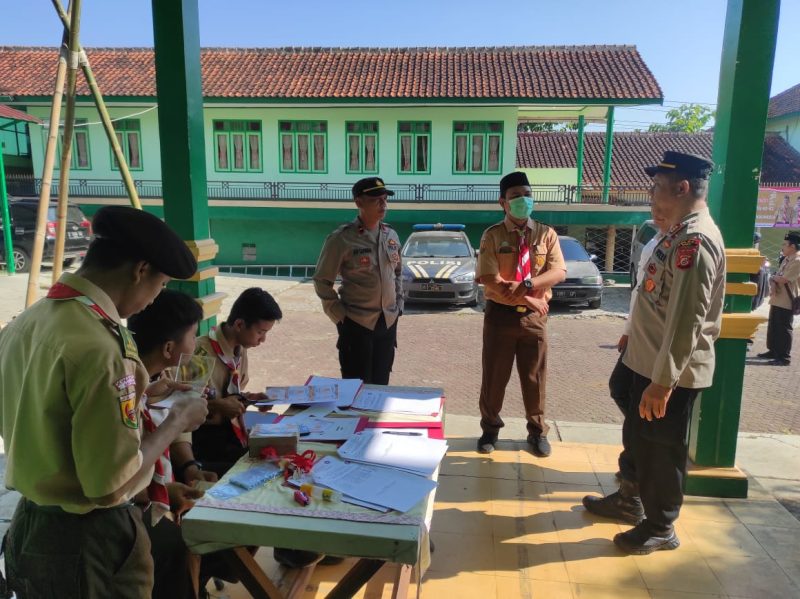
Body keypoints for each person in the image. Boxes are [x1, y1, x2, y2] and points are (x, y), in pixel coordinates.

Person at [0, 205, 208, 598]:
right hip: (89, 542)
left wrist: (141, 394)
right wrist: (176, 423)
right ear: (140, 270)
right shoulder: (104, 348)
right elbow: (109, 485)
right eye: (161, 284)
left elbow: (41, 414)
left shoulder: (27, 323)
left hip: (29, 524)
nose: (154, 299)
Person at [582, 151, 726, 555]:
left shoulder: (694, 242)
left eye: (656, 188)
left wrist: (663, 384)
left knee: (661, 447)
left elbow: (685, 321)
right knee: (636, 426)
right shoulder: (675, 231)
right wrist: (631, 333)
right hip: (642, 357)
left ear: (682, 188)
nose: (650, 196)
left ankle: (661, 525)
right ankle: (630, 497)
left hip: (666, 370)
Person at [128, 289, 224, 599]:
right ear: (169, 347)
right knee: (185, 543)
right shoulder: (123, 385)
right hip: (123, 509)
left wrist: (185, 471)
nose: (196, 345)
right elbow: (118, 468)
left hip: (151, 489)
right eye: (193, 336)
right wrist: (179, 419)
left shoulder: (154, 378)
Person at [587, 205, 670, 524]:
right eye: (653, 200)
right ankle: (631, 490)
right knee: (621, 390)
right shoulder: (655, 243)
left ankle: (635, 497)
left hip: (658, 346)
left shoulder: (687, 245)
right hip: (639, 338)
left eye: (662, 199)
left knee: (650, 421)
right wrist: (627, 330)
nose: (656, 209)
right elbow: (640, 293)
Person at [475, 171, 566, 457]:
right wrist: (530, 298)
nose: (523, 200)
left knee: (535, 377)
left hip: (534, 321)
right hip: (501, 316)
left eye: (527, 194)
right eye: (516, 197)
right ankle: (490, 429)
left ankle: (537, 431)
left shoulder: (546, 234)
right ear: (503, 202)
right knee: (494, 377)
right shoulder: (492, 235)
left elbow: (559, 271)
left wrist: (529, 284)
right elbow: (490, 278)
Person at [313, 177, 403, 385]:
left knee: (381, 385)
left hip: (387, 322)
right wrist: (340, 316)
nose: (383, 205)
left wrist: (398, 305)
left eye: (384, 199)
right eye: (376, 200)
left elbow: (397, 273)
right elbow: (321, 280)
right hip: (356, 323)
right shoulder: (342, 238)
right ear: (359, 202)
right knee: (356, 388)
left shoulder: (391, 235)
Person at [192, 287, 279, 477]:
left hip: (233, 433)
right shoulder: (199, 354)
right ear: (239, 324)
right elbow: (180, 407)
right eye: (260, 332)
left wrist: (248, 399)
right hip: (204, 441)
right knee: (261, 472)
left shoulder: (240, 348)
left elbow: (230, 393)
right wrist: (217, 406)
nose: (263, 339)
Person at [757, 231, 800, 366]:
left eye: (785, 244)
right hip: (777, 298)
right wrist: (774, 279)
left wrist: (773, 278)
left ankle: (784, 357)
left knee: (784, 328)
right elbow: (778, 275)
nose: (783, 247)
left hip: (786, 299)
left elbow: (784, 279)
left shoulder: (797, 260)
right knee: (774, 326)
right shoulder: (787, 258)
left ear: (793, 246)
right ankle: (773, 351)